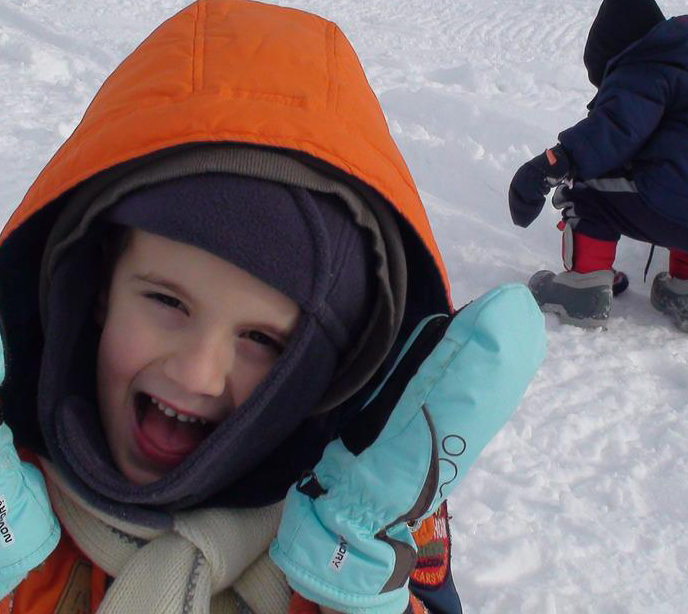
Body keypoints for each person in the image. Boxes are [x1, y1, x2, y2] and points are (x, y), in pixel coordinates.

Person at [0, 1, 545, 613]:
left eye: (262, 339)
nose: (196, 373)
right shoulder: (10, 504)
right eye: (166, 300)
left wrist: (346, 587)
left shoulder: (344, 540)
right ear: (97, 290)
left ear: (324, 376)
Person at [508, 0, 688, 330]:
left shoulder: (644, 64)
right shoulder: (678, 56)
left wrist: (553, 162)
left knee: (585, 184)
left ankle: (584, 287)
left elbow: (614, 130)